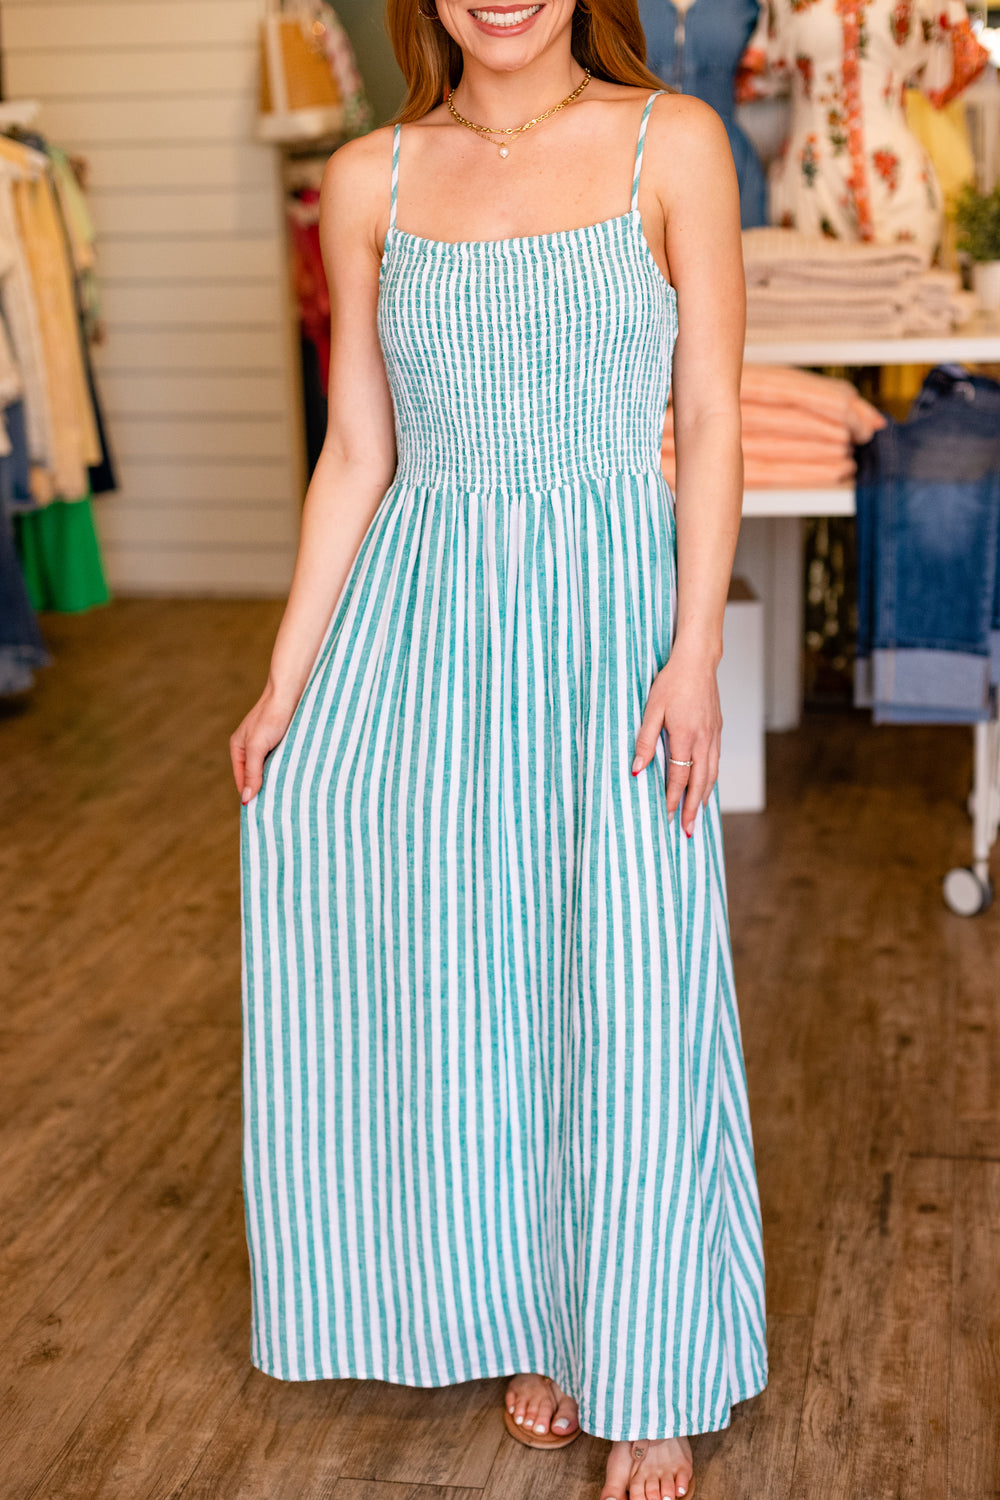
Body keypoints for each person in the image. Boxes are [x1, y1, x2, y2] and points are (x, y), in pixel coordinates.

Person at [229, 3, 768, 1497]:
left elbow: (711, 413)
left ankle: (650, 1363)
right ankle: (538, 1311)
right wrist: (286, 679)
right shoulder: (370, 176)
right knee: (476, 987)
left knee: (631, 977)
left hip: (608, 622)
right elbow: (359, 450)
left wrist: (695, 652)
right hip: (424, 622)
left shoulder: (674, 142)